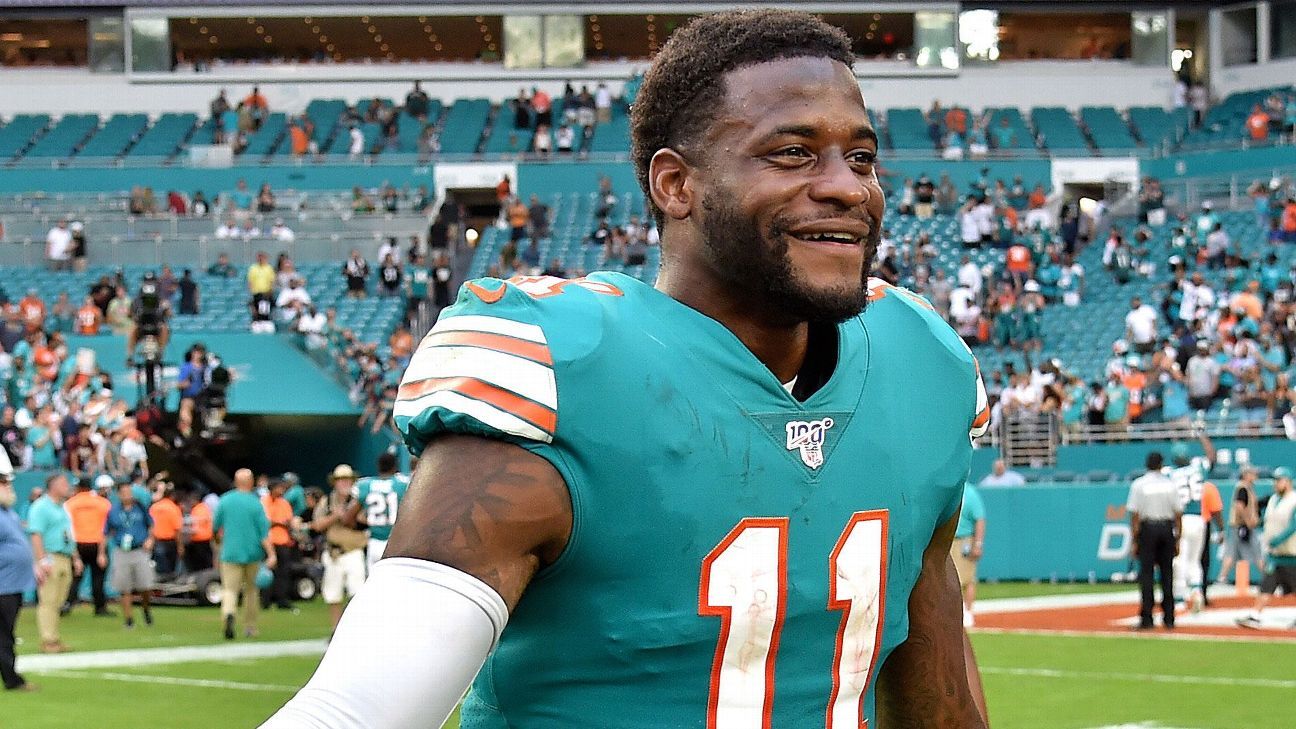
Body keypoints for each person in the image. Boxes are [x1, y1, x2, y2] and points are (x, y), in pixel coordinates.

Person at [265, 11, 988, 728]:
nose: (849, 188)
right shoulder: (564, 371)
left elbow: (941, 701)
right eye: (793, 153)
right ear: (675, 184)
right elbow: (358, 710)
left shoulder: (918, 363)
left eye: (860, 158)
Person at [213, 468, 276, 640]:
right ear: (251, 482)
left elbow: (215, 526)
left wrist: (218, 542)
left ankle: (229, 613)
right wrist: (271, 554)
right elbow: (263, 533)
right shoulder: (256, 503)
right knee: (251, 591)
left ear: (235, 482)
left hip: (230, 552)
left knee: (229, 589)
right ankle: (250, 627)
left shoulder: (225, 500)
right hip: (252, 553)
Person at [26, 473, 82, 653]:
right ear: (53, 486)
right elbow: (36, 534)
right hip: (50, 556)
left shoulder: (63, 507)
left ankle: (54, 638)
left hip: (65, 556)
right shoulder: (41, 507)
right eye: (64, 483)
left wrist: (75, 557)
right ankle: (48, 640)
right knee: (48, 600)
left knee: (59, 601)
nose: (67, 486)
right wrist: (41, 560)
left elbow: (68, 534)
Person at [1165, 437, 1222, 612]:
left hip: (1181, 519)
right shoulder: (1198, 468)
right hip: (1199, 519)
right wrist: (1202, 437)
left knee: (1179, 560)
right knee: (1195, 560)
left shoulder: (1169, 473)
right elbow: (1212, 457)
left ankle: (1179, 599)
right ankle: (1197, 591)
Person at [1127, 451, 1181, 630]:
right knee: (1167, 574)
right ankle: (1169, 617)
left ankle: (1147, 618)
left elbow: (1135, 515)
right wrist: (1177, 538)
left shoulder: (1139, 484)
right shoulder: (1170, 485)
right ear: (1161, 465)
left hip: (1148, 529)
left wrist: (1135, 540)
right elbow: (1178, 513)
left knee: (1147, 575)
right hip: (1166, 528)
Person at [1237, 467, 1296, 628]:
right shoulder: (1273, 499)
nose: (1275, 484)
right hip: (1275, 555)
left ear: (1288, 481)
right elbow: (1270, 521)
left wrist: (1278, 540)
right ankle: (1255, 615)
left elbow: (1293, 526)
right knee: (1267, 586)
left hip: (1291, 554)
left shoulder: (1293, 500)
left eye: (1279, 480)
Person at [311, 465, 367, 632]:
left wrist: (350, 515)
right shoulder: (326, 501)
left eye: (347, 480)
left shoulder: (359, 500)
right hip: (333, 553)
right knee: (333, 595)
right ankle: (335, 630)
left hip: (353, 550)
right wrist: (335, 516)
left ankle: (355, 629)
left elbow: (366, 521)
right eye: (340, 480)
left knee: (357, 593)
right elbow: (317, 525)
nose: (344, 483)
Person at [0, 455, 35, 691]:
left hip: (12, 584)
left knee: (6, 633)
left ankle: (10, 676)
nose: (9, 486)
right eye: (4, 482)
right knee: (4, 635)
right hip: (3, 585)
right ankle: (12, 679)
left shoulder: (8, 513)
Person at [345, 451, 410, 571]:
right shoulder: (403, 484)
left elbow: (347, 518)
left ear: (378, 467)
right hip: (397, 542)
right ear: (395, 466)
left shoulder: (365, 485)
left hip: (374, 543)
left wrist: (362, 525)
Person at [102, 481, 154, 629]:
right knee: (124, 587)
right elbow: (106, 532)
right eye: (124, 493)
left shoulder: (140, 508)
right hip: (122, 550)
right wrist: (101, 553)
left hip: (139, 549)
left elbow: (151, 525)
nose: (128, 495)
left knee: (145, 585)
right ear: (119, 494)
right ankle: (129, 619)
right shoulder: (113, 511)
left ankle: (146, 609)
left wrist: (150, 540)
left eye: (129, 492)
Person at [64, 476, 113, 617]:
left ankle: (67, 604)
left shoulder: (70, 503)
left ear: (78, 487)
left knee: (75, 577)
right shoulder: (103, 503)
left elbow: (67, 527)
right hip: (98, 543)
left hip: (78, 543)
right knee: (98, 578)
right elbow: (107, 528)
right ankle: (100, 607)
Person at [1216, 465, 1263, 587]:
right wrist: (1248, 521)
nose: (1255, 476)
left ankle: (1222, 577)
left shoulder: (1248, 488)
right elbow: (1239, 507)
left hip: (1240, 527)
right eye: (1253, 473)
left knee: (1231, 553)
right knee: (1255, 552)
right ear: (1246, 475)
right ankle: (1268, 578)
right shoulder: (1242, 488)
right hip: (1241, 527)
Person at [951, 480, 986, 627]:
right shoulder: (950, 490)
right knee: (951, 579)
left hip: (965, 539)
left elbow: (980, 519)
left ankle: (968, 612)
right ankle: (954, 612)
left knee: (968, 578)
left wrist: (977, 544)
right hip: (949, 539)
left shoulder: (970, 493)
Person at [261, 476, 297, 611]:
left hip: (283, 541)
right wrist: (278, 522)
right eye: (279, 488)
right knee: (267, 572)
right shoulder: (264, 501)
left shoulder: (284, 503)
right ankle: (265, 600)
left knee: (283, 572)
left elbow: (289, 521)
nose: (281, 490)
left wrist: (278, 523)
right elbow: (264, 522)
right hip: (268, 542)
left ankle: (282, 599)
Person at [149, 484, 184, 578]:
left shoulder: (154, 507)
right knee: (170, 569)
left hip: (156, 541)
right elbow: (177, 529)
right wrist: (180, 546)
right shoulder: (174, 508)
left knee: (160, 567)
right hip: (170, 542)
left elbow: (149, 525)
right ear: (172, 496)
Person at [184, 492, 215, 573]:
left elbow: (196, 524)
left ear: (195, 500)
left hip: (200, 538)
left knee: (202, 561)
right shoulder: (204, 508)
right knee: (207, 559)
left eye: (191, 500)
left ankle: (205, 574)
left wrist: (189, 530)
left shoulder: (198, 509)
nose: (190, 502)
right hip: (205, 538)